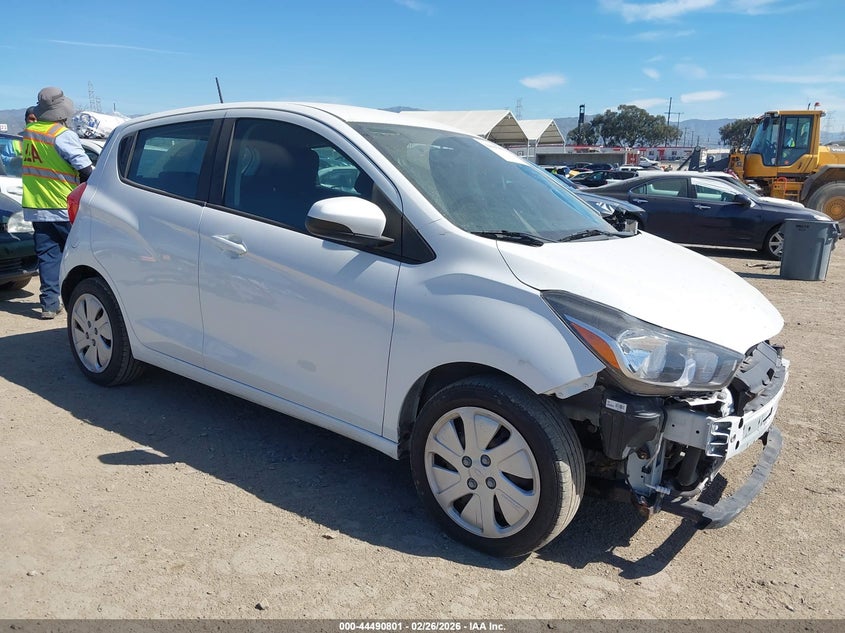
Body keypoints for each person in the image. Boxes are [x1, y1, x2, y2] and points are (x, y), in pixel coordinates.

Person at [21, 87, 93, 319]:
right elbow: (85, 169)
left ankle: (49, 304)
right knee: (80, 255)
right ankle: (78, 301)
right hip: (64, 206)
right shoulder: (62, 135)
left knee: (47, 256)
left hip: (36, 208)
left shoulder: (28, 133)